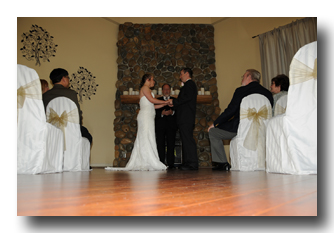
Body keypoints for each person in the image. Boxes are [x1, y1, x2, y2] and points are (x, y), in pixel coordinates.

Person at [207, 69, 273, 171]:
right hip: (263, 130)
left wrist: (215, 123)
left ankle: (222, 163)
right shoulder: (268, 94)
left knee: (213, 132)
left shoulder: (241, 91)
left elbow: (230, 111)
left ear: (249, 77)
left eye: (243, 76)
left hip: (240, 129)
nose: (242, 79)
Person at [106, 74, 169, 171]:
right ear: (147, 80)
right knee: (145, 137)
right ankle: (146, 161)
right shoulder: (145, 88)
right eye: (152, 80)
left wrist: (165, 104)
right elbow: (152, 100)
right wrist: (165, 102)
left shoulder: (147, 89)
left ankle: (147, 161)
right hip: (145, 117)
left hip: (148, 117)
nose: (154, 82)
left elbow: (152, 106)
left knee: (149, 137)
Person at [43, 68, 93, 145]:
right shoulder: (71, 94)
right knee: (87, 135)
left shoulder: (45, 96)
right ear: (63, 79)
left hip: (51, 133)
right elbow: (77, 115)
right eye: (68, 78)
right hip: (70, 132)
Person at [167, 68, 198, 170]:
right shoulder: (188, 85)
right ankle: (187, 163)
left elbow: (186, 98)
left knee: (188, 140)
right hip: (185, 118)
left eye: (181, 74)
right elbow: (183, 101)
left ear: (187, 73)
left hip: (186, 117)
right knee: (185, 140)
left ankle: (192, 163)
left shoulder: (190, 85)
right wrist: (175, 103)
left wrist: (174, 102)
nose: (180, 76)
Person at [155, 84, 177, 170]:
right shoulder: (157, 100)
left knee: (171, 145)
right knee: (160, 145)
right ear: (162, 91)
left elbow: (179, 112)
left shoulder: (175, 100)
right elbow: (153, 112)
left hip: (171, 126)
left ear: (170, 91)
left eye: (168, 89)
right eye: (165, 89)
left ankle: (171, 164)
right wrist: (161, 113)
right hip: (160, 126)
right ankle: (161, 163)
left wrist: (172, 113)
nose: (166, 91)